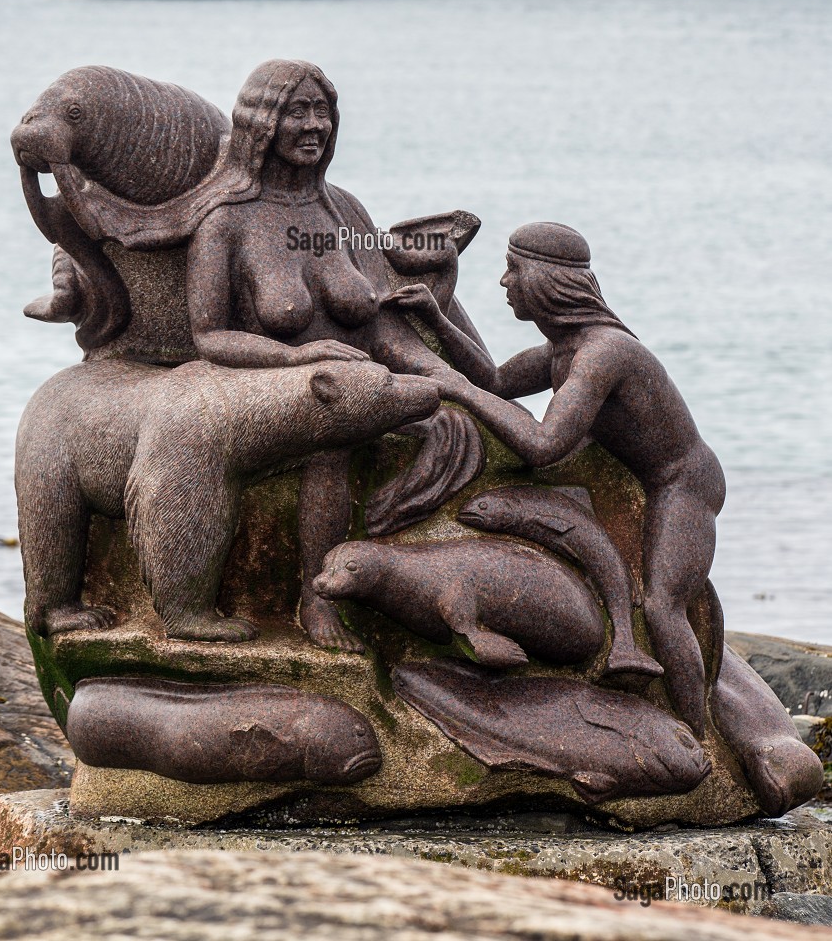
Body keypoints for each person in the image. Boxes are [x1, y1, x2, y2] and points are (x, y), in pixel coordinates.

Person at [386, 221, 725, 737]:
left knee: (662, 607)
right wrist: (439, 314)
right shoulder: (559, 353)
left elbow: (544, 446)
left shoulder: (601, 354)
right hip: (638, 473)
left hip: (684, 484)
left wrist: (457, 388)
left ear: (547, 282)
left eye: (513, 270)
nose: (503, 282)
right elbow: (496, 381)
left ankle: (697, 734)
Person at [186, 59, 473, 651]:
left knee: (466, 410)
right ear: (262, 123)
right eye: (298, 111)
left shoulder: (340, 211)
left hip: (360, 372)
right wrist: (296, 358)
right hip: (275, 380)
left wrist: (455, 378)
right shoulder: (227, 222)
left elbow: (379, 308)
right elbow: (210, 336)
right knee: (332, 438)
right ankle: (318, 600)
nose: (314, 125)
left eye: (323, 112)